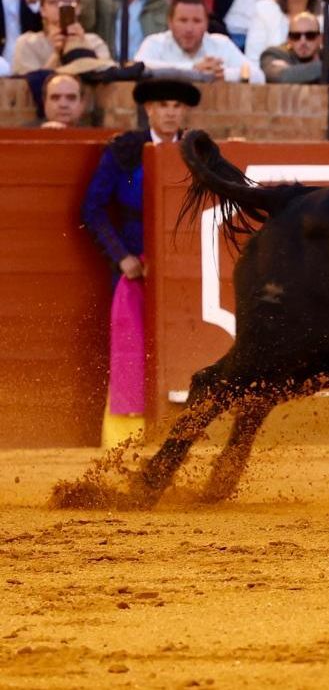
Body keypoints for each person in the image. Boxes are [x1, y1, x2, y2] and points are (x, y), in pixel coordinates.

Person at [81, 78, 201, 446]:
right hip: (137, 266)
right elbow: (94, 208)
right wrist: (122, 258)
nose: (170, 111)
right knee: (132, 344)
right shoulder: (125, 150)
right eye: (163, 104)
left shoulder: (198, 151)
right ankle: (126, 443)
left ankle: (183, 441)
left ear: (185, 112)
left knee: (192, 345)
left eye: (177, 106)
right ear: (149, 109)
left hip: (186, 269)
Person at [135, 0, 255, 82]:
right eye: (183, 20)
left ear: (206, 24)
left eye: (197, 21)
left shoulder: (221, 43)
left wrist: (223, 74)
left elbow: (258, 75)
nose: (189, 29)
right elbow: (139, 68)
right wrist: (193, 69)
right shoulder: (154, 42)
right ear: (170, 22)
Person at [10, 0, 113, 73]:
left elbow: (106, 76)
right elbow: (28, 85)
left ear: (78, 8)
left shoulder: (94, 42)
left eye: (68, 1)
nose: (60, 6)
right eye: (53, 2)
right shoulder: (28, 43)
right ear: (42, 10)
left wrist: (82, 46)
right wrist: (56, 53)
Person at [261, 10, 329, 82]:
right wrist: (327, 68)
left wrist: (292, 70)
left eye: (310, 35)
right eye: (296, 36)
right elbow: (282, 76)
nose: (303, 42)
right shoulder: (274, 54)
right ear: (289, 40)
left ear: (320, 39)